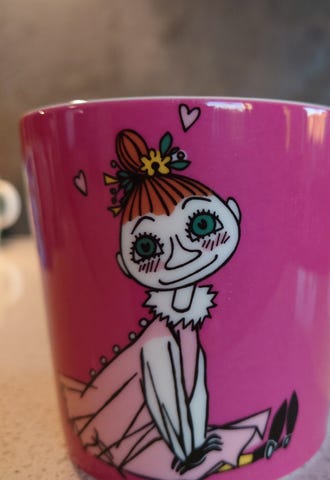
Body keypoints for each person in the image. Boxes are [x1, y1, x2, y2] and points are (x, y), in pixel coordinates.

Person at [60, 128, 297, 480]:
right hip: (129, 429)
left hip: (182, 433)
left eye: (201, 224)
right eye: (148, 247)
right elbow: (165, 402)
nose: (181, 254)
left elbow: (194, 384)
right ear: (124, 263)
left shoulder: (184, 322)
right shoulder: (159, 338)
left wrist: (196, 440)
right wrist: (189, 451)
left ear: (233, 214)